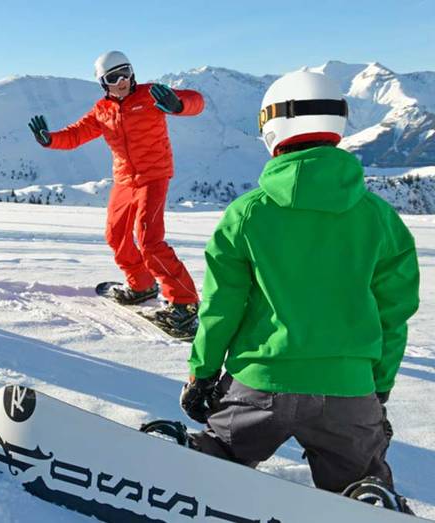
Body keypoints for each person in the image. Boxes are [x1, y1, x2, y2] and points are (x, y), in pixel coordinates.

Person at [180, 71, 419, 506]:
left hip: (260, 383)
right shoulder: (380, 218)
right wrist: (376, 383)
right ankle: (371, 501)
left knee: (219, 452)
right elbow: (393, 313)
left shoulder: (246, 215)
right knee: (362, 482)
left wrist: (202, 372)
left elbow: (222, 306)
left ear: (271, 125)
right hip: (347, 389)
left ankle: (185, 462)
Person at [28, 51, 204, 332]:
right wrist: (50, 140)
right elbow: (76, 134)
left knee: (149, 241)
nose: (123, 80)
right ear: (103, 82)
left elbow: (197, 100)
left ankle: (184, 303)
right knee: (116, 234)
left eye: (127, 72)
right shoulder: (103, 110)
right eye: (114, 77)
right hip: (125, 180)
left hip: (154, 175)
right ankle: (141, 285)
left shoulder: (151, 95)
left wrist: (178, 104)